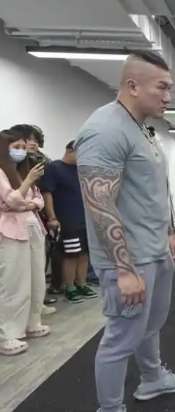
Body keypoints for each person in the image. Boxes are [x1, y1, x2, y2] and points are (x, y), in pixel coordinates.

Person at [75, 50, 175, 412]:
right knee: (121, 339)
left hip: (154, 249)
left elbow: (150, 188)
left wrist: (168, 231)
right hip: (129, 258)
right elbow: (99, 204)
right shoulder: (105, 130)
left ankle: (153, 378)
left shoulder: (141, 128)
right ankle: (110, 408)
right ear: (133, 86)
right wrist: (123, 269)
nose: (168, 96)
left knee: (150, 325)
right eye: (162, 87)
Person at [0, 130, 50, 356]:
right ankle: (7, 334)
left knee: (35, 279)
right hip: (10, 231)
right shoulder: (2, 173)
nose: (22, 151)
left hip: (32, 228)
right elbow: (11, 201)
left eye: (23, 146)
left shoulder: (20, 172)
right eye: (16, 147)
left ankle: (32, 322)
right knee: (13, 283)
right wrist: (27, 185)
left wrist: (27, 202)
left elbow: (38, 199)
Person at [9, 124, 60, 307]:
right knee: (17, 269)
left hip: (36, 217)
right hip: (13, 222)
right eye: (28, 140)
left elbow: (39, 193)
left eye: (35, 140)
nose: (32, 144)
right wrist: (28, 204)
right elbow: (11, 199)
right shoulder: (8, 167)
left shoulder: (39, 161)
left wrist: (35, 205)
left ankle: (38, 300)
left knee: (39, 260)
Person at [42, 140, 97, 303]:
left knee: (85, 253)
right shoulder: (54, 168)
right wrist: (52, 217)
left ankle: (82, 283)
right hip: (67, 219)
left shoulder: (81, 170)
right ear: (70, 150)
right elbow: (47, 193)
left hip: (84, 218)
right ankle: (70, 287)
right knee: (71, 254)